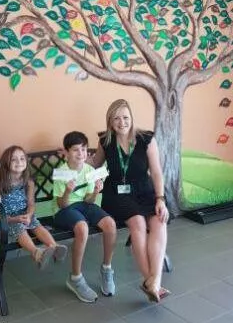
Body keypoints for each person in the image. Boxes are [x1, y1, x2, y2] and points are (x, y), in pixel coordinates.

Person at [89, 99, 171, 303]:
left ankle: (154, 281)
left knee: (159, 221)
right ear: (110, 121)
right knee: (138, 223)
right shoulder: (106, 142)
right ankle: (148, 279)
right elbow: (94, 163)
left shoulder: (146, 139)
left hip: (145, 191)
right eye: (116, 118)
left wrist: (160, 199)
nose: (122, 122)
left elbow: (157, 172)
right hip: (117, 194)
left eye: (125, 117)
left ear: (132, 118)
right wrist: (74, 157)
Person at [53, 131, 118, 303]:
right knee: (82, 227)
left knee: (110, 224)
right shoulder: (61, 172)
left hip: (84, 206)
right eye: (75, 150)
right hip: (64, 210)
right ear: (66, 153)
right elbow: (62, 205)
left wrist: (96, 191)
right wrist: (67, 190)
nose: (81, 153)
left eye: (83, 149)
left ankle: (106, 269)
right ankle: (75, 278)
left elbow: (89, 200)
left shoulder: (89, 170)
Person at [0, 146, 68, 270]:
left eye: (22, 159)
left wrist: (29, 214)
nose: (19, 162)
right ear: (6, 163)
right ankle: (36, 252)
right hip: (5, 221)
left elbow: (31, 203)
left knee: (36, 225)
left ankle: (54, 246)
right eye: (14, 160)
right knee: (19, 227)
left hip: (24, 215)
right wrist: (14, 219)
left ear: (26, 162)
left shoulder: (28, 181)